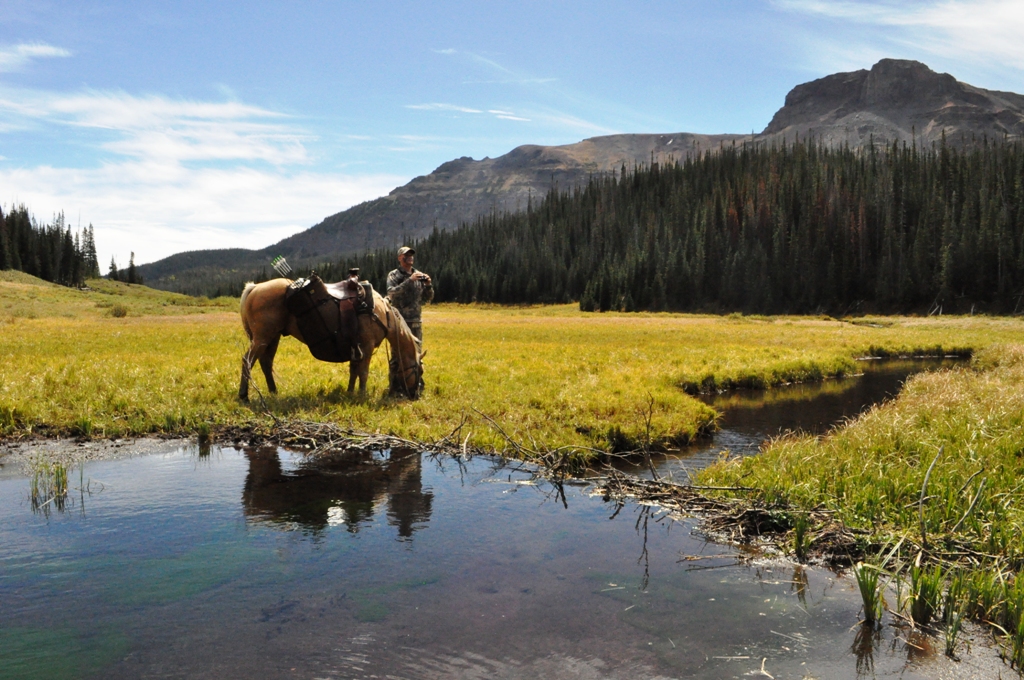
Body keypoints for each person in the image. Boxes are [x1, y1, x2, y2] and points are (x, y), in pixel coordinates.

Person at [386, 246, 433, 342]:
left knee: (416, 353)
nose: (410, 257)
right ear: (399, 258)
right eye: (406, 255)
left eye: (411, 255)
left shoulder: (418, 275)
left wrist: (428, 285)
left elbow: (429, 297)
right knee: (399, 353)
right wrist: (410, 281)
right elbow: (392, 293)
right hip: (399, 321)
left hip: (416, 321)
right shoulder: (394, 275)